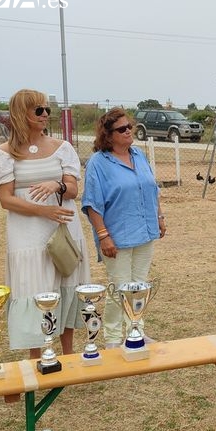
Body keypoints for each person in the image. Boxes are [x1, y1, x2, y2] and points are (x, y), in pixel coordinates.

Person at [0, 89, 90, 359]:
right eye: (39, 110)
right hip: (27, 233)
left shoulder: (62, 148)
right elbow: (6, 199)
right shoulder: (4, 154)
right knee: (35, 288)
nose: (46, 115)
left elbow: (72, 190)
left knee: (66, 283)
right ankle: (39, 355)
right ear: (22, 114)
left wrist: (56, 184)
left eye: (47, 110)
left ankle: (68, 354)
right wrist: (41, 210)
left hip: (63, 228)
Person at [82, 107, 166, 349]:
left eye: (130, 126)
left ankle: (136, 331)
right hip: (116, 236)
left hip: (144, 231)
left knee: (139, 286)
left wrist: (159, 216)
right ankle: (111, 339)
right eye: (122, 129)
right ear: (108, 135)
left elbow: (152, 189)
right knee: (119, 289)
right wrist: (102, 235)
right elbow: (92, 203)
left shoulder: (139, 155)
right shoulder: (98, 163)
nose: (129, 131)